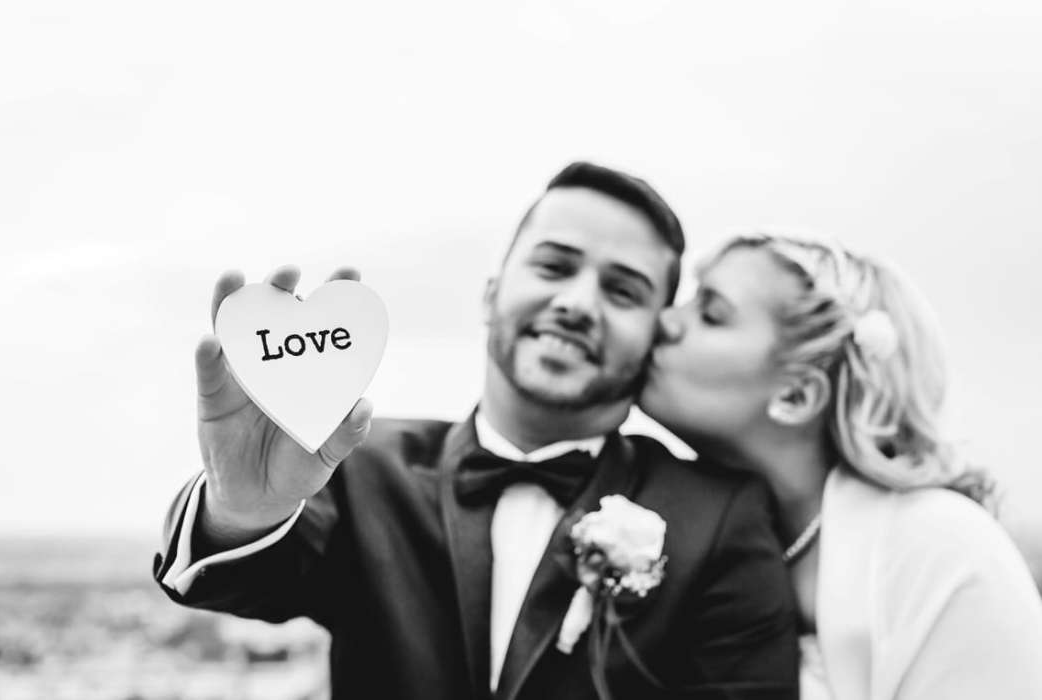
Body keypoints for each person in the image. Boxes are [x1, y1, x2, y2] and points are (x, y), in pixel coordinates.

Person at [153, 163, 799, 700]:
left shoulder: (720, 516)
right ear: (491, 294)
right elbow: (245, 581)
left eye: (623, 291)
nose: (578, 303)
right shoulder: (357, 463)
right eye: (554, 267)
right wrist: (241, 510)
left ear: (657, 333)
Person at [639, 233, 1042, 699]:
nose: (665, 320)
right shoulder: (687, 525)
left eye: (710, 314)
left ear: (797, 397)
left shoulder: (941, 547)